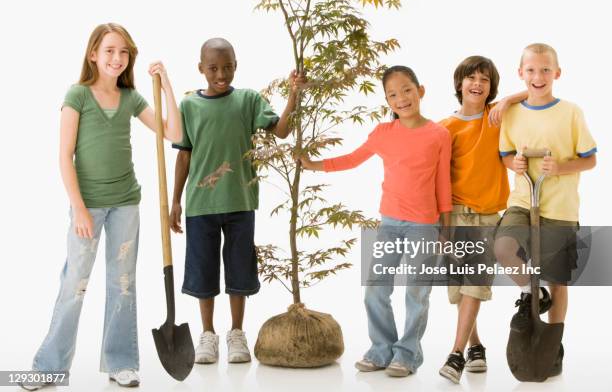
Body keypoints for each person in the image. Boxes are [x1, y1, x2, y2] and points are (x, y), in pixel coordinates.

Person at [22, 23, 182, 390]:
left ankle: (121, 362)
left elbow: (173, 133)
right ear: (93, 54)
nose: (117, 58)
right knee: (74, 284)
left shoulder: (130, 98)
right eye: (109, 50)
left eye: (123, 52)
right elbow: (64, 156)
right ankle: (49, 366)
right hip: (88, 206)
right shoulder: (77, 94)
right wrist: (78, 208)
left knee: (122, 283)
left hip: (126, 203)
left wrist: (167, 84)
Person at [300, 65, 452, 377]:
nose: (402, 98)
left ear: (420, 90)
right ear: (387, 102)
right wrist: (313, 165)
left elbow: (443, 184)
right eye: (393, 95)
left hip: (424, 224)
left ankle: (407, 354)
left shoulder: (439, 134)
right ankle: (381, 349)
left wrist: (445, 227)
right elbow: (352, 159)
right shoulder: (383, 134)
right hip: (390, 222)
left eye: (407, 90)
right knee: (375, 288)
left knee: (417, 292)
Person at [170, 38, 304, 364]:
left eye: (227, 66)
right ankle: (207, 334)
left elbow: (283, 131)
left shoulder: (248, 101)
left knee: (239, 268)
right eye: (213, 68)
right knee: (203, 271)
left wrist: (293, 94)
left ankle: (237, 333)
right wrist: (175, 200)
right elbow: (184, 157)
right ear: (200, 68)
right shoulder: (188, 106)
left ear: (236, 65)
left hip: (240, 200)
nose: (221, 73)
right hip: (201, 204)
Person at [494, 43, 597, 376]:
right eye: (531, 70)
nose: (538, 76)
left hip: (560, 207)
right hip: (523, 200)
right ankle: (531, 290)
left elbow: (590, 158)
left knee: (558, 280)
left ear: (557, 73)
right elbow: (506, 155)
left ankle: (554, 341)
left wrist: (561, 168)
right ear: (520, 73)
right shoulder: (511, 113)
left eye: (545, 70)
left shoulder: (571, 112)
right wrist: (517, 163)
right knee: (504, 247)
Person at [437, 56, 527, 384]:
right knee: (459, 289)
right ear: (459, 83)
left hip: (488, 216)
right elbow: (439, 180)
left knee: (475, 282)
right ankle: (475, 345)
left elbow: (529, 93)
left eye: (485, 80)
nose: (477, 84)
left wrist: (505, 101)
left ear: (492, 89)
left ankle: (455, 354)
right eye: (471, 78)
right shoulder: (444, 128)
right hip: (454, 215)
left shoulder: (495, 116)